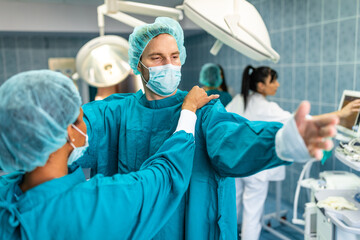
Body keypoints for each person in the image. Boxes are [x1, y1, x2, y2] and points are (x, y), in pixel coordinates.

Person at [76, 17, 338, 239]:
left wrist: (283, 140)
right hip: (134, 229)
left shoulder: (203, 109)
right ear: (138, 64)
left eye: (174, 56)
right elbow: (75, 129)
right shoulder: (115, 112)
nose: (168, 65)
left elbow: (233, 139)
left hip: (191, 228)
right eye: (157, 57)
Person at [0, 70, 218, 239]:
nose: (86, 126)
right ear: (70, 134)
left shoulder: (6, 197)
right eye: (80, 119)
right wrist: (188, 112)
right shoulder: (93, 205)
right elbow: (165, 177)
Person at [226, 65, 360, 240]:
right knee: (252, 213)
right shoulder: (267, 107)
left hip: (236, 163)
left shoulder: (238, 99)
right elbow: (304, 122)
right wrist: (341, 114)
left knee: (231, 205)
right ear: (261, 86)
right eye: (273, 81)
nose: (278, 84)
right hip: (256, 168)